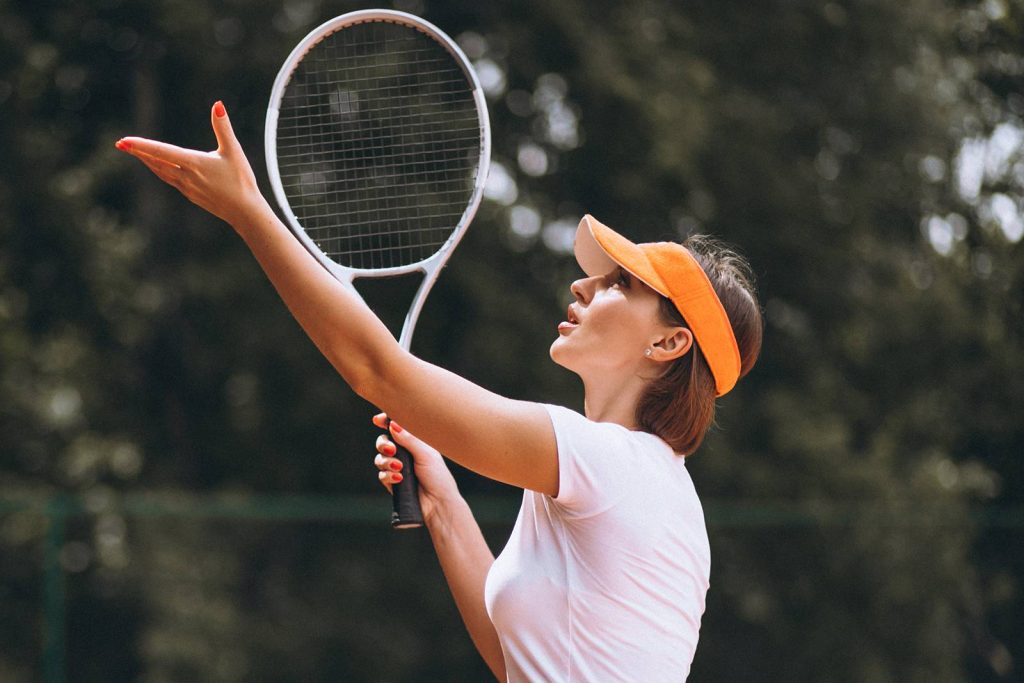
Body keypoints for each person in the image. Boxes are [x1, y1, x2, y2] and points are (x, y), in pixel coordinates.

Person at [116, 102, 763, 681]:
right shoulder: (644, 485)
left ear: (669, 343)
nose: (582, 285)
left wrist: (247, 210)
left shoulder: (607, 464)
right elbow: (520, 662)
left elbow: (375, 370)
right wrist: (443, 503)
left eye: (620, 284)